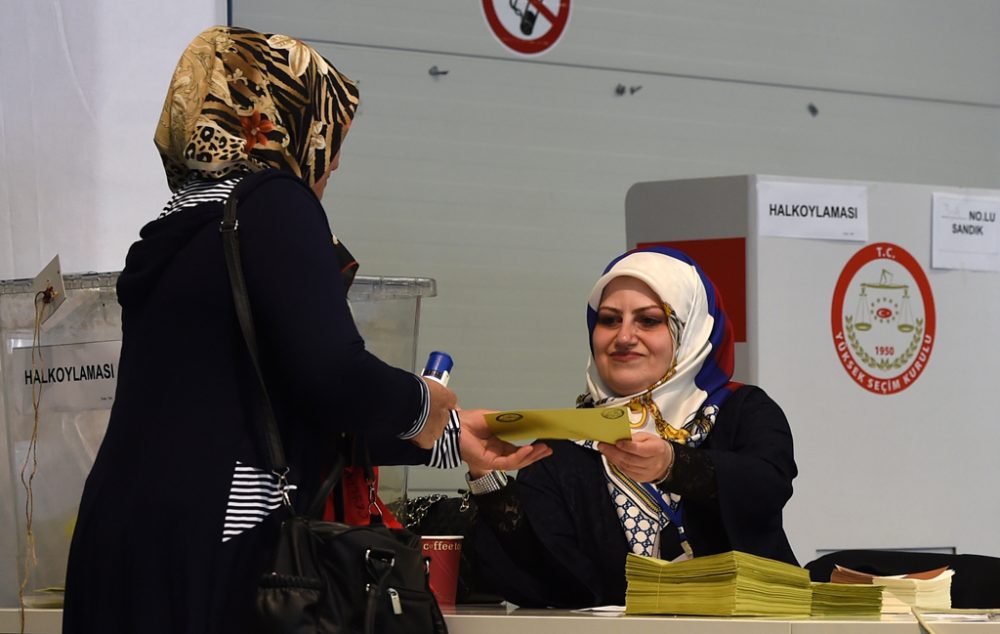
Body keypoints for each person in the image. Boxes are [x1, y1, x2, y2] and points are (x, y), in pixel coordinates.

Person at [62, 26, 547, 633]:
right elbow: (329, 373)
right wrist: (425, 402)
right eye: (330, 132)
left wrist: (448, 434)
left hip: (123, 538)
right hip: (219, 540)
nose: (336, 159)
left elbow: (266, 397)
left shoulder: (178, 225)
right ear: (281, 118)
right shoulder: (270, 201)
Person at [468, 245, 798, 608]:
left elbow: (767, 487)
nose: (624, 337)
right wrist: (489, 480)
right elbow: (543, 580)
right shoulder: (562, 445)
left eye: (649, 320)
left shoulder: (741, 411)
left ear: (688, 331)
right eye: (609, 320)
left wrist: (674, 465)